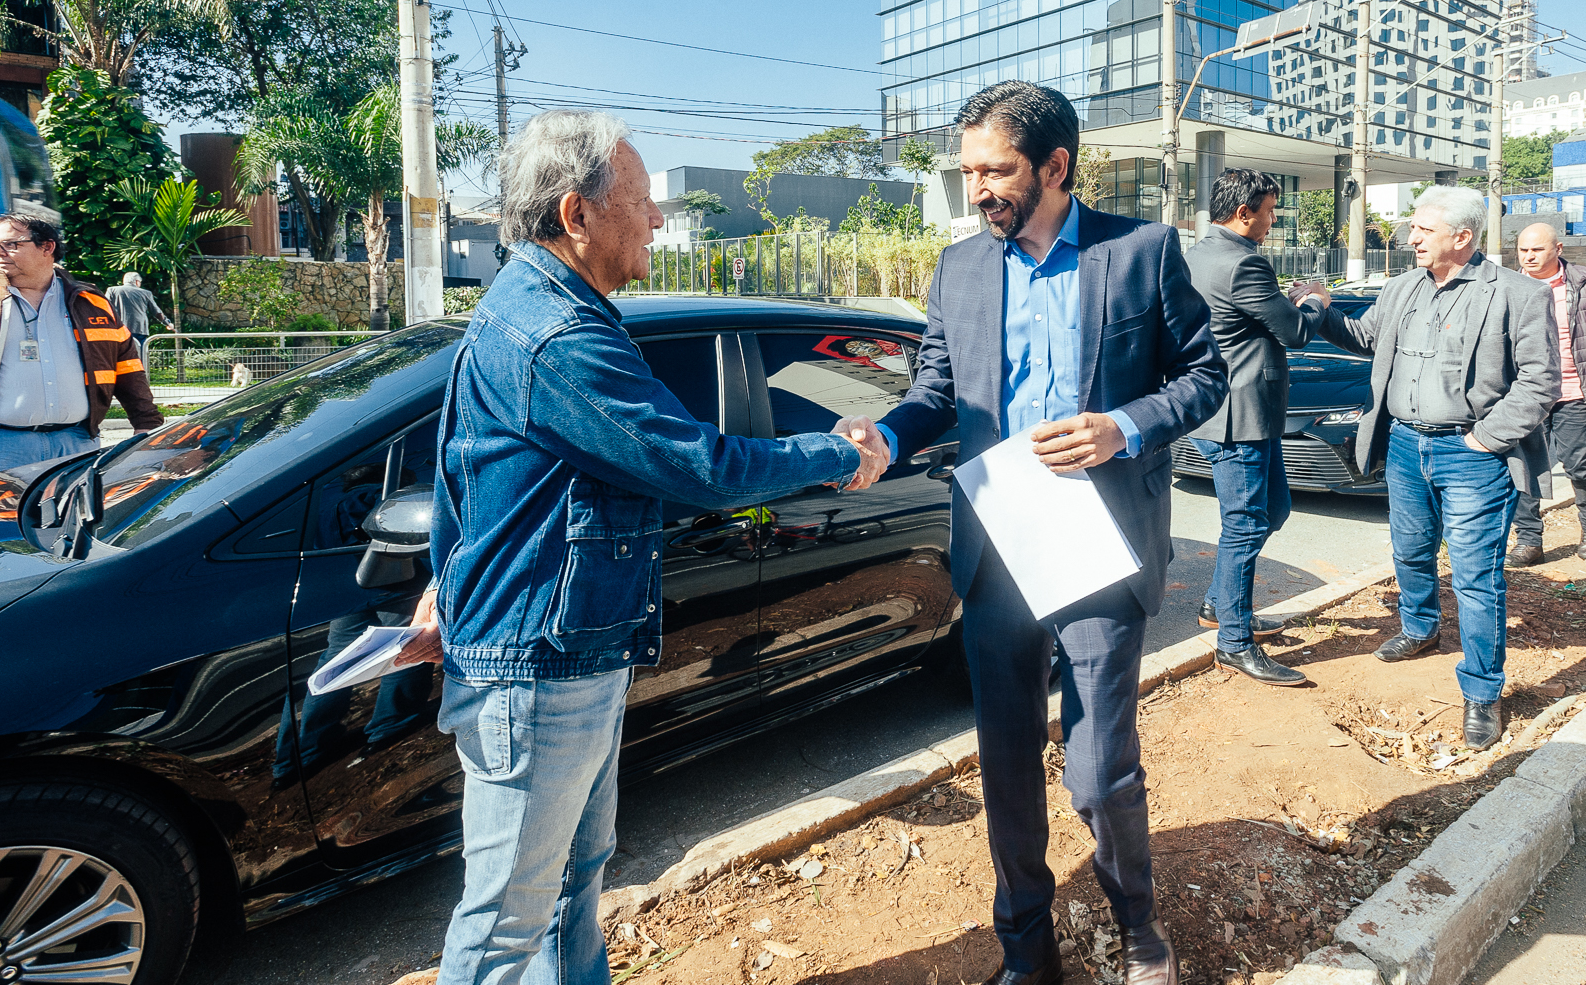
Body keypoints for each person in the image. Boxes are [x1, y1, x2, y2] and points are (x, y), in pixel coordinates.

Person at [392, 111, 888, 985]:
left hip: (562, 651)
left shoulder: (529, 305)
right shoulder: (558, 336)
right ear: (577, 215)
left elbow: (463, 467)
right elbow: (695, 462)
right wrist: (839, 452)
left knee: (569, 886)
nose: (658, 220)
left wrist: (446, 574)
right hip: (539, 669)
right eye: (643, 201)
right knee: (507, 920)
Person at [838, 81, 1226, 985]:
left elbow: (1205, 375)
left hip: (1099, 537)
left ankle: (1139, 928)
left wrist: (1120, 426)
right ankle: (1027, 948)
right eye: (969, 170)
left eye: (996, 169)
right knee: (1006, 764)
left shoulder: (1141, 251)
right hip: (998, 543)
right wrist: (887, 436)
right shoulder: (960, 268)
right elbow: (937, 391)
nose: (979, 187)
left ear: (1055, 165)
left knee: (1098, 770)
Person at [1308, 186, 1558, 749]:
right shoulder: (1401, 288)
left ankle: (1481, 691)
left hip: (1472, 455)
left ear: (1462, 237)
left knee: (1475, 575)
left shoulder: (1518, 294)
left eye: (1423, 229)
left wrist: (1485, 440)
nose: (1410, 238)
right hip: (1404, 445)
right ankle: (1419, 629)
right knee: (1411, 550)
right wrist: (1323, 310)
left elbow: (1540, 381)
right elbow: (1365, 338)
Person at [1182, 167, 1330, 686]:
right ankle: (1234, 643)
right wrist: (1314, 299)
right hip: (1239, 416)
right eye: (1268, 212)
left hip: (1232, 412)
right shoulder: (1243, 263)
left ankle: (1221, 604)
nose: (1271, 221)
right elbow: (1294, 334)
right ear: (1243, 214)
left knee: (1274, 509)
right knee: (1245, 523)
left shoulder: (1199, 255)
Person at [0, 209, 162, 481]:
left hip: (76, 444)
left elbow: (127, 369)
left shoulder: (92, 303)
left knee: (71, 523)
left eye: (11, 244)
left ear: (47, 247)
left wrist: (146, 424)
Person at [1505, 223, 1586, 566]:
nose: (1529, 257)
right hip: (1525, 395)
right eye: (1523, 250)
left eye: (1537, 250)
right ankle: (1529, 540)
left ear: (1558, 249)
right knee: (1523, 468)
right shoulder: (1509, 287)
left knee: (1577, 465)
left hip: (1576, 392)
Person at [106, 270, 175, 363]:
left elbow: (105, 307)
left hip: (118, 329)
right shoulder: (146, 293)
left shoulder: (112, 290)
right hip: (139, 329)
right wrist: (167, 323)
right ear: (137, 282)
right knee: (139, 357)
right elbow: (156, 312)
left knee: (118, 357)